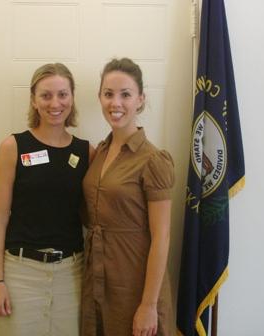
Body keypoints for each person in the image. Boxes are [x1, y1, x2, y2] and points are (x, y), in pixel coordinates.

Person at [0, 63, 93, 336]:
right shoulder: (13, 147)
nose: (55, 103)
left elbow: (93, 216)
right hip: (21, 274)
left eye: (62, 94)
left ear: (72, 97)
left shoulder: (86, 152)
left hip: (71, 275)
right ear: (33, 100)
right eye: (46, 95)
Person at [81, 58, 175, 336]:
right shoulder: (99, 152)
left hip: (134, 284)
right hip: (97, 281)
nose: (115, 103)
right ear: (99, 97)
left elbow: (162, 236)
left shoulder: (153, 160)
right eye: (108, 94)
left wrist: (148, 305)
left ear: (140, 99)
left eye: (125, 94)